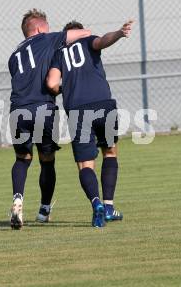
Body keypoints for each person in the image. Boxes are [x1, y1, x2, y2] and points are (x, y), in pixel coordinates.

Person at [8, 9, 91, 229]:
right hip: (43, 108)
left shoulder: (13, 56)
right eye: (47, 26)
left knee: (22, 159)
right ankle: (44, 210)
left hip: (17, 110)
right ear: (38, 29)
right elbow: (82, 34)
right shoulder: (47, 39)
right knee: (47, 160)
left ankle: (18, 199)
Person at [47, 19, 133, 227]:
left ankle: (97, 205)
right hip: (104, 104)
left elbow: (51, 83)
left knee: (85, 164)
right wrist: (120, 33)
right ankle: (109, 206)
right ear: (81, 33)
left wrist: (64, 89)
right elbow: (103, 41)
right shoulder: (88, 41)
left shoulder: (58, 54)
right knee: (110, 152)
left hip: (78, 110)